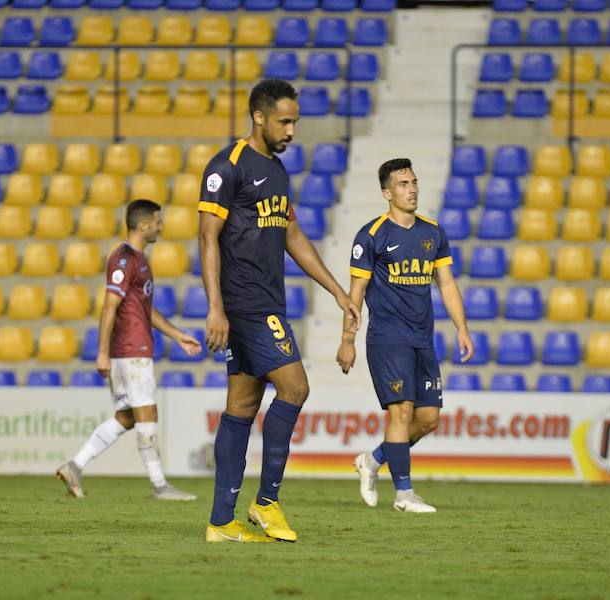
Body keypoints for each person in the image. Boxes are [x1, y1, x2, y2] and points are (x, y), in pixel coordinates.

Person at [198, 79, 361, 543]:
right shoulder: (226, 167)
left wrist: (335, 290)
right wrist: (216, 309)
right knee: (294, 387)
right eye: (285, 121)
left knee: (243, 405)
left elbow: (291, 235)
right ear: (259, 117)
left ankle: (221, 523)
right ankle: (266, 502)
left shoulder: (277, 170)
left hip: (268, 299)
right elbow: (207, 237)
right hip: (245, 303)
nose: (291, 130)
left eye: (295, 122)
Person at [339, 158, 474, 513]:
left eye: (414, 182)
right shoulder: (372, 236)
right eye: (403, 184)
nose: (411, 189)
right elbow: (356, 293)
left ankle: (371, 461)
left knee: (427, 419)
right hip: (387, 338)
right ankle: (404, 494)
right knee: (401, 412)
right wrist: (347, 340)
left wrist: (462, 328)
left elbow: (446, 283)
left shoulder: (433, 232)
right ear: (387, 193)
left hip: (422, 340)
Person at [57, 200, 200, 501]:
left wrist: (178, 335)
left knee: (128, 416)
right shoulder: (124, 260)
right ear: (143, 225)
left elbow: (145, 309)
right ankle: (160, 486)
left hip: (131, 350)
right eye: (158, 221)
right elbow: (110, 305)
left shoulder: (139, 259)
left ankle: (75, 466)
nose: (162, 226)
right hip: (131, 351)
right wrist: (101, 352)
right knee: (148, 414)